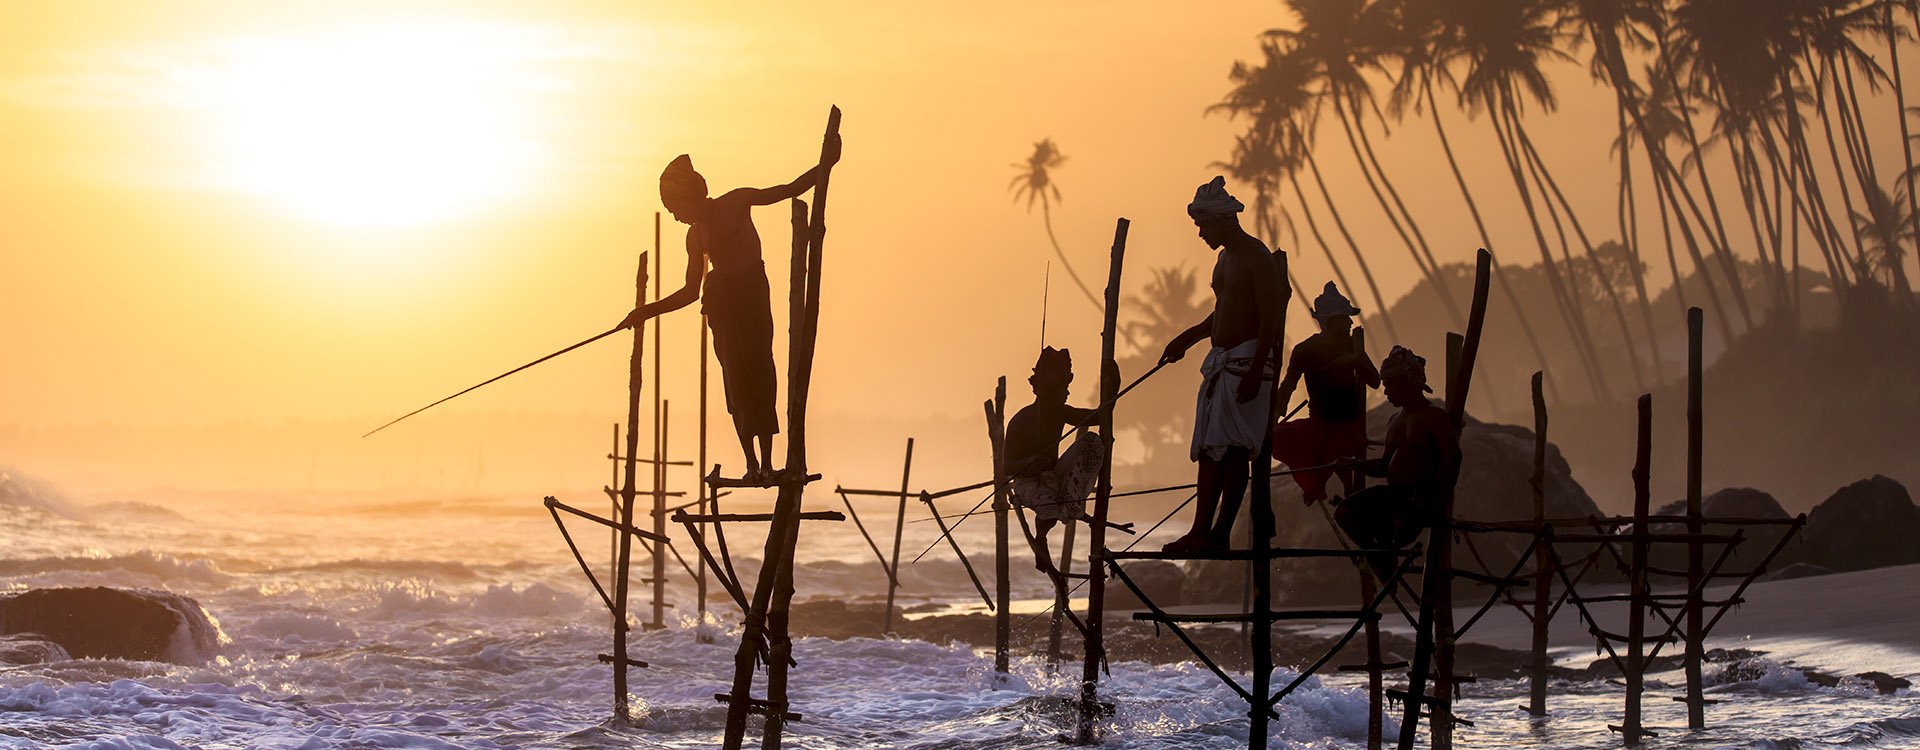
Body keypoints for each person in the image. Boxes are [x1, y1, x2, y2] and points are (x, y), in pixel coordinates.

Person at [619, 140, 840, 481]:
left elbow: (787, 190)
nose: (676, 216)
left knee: (760, 374)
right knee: (735, 382)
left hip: (751, 295)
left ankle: (768, 463)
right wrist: (645, 312)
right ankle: (752, 465)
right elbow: (690, 292)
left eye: (677, 207)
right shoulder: (695, 237)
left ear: (693, 196)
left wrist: (826, 165)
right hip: (723, 305)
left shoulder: (737, 201)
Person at [1158, 176, 1288, 554]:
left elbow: (1270, 320)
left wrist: (1254, 371)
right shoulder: (1224, 259)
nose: (1200, 233)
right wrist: (1188, 337)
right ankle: (1201, 531)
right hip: (1224, 363)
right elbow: (1223, 312)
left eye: (1203, 225)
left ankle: (1220, 534)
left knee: (1233, 451)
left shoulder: (1256, 257)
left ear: (1223, 220)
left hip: (1248, 363)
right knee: (1210, 449)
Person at [1333, 346, 1461, 573]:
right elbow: (1384, 466)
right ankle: (1380, 559)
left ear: (1410, 381)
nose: (1386, 392)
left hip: (1421, 498)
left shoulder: (1434, 416)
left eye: (1391, 384)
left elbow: (1452, 459)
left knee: (1394, 530)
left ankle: (1383, 557)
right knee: (1344, 513)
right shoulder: (1394, 421)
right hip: (1394, 496)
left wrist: (1438, 504)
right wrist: (1354, 464)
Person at [1272, 282, 1380, 505]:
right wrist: (1273, 415)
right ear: (1331, 322)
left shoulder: (1352, 346)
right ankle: (1317, 486)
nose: (1350, 323)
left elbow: (1375, 381)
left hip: (1349, 425)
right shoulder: (1305, 350)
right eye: (1344, 319)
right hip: (1320, 423)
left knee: (1342, 455)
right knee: (1277, 437)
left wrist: (1354, 359)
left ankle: (1344, 490)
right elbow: (1288, 385)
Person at [1004, 347, 1105, 569]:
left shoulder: (1061, 412)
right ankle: (1042, 537)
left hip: (1054, 475)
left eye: (1065, 388)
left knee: (1091, 442)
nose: (1066, 394)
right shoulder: (1021, 420)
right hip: (1027, 482)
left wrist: (1112, 392)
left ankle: (1072, 504)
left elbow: (1097, 416)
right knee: (1050, 507)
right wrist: (1030, 462)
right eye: (1061, 390)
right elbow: (1007, 467)